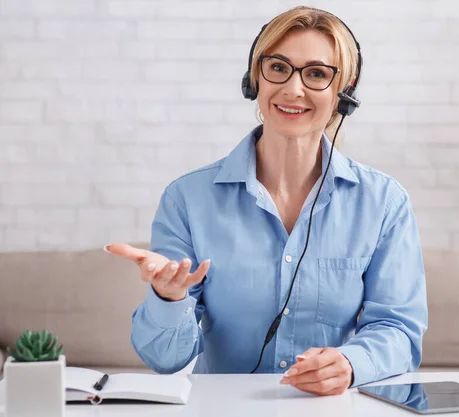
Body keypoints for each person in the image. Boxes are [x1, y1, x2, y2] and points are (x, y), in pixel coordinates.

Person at [104, 6, 428, 397]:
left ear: (345, 91)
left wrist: (350, 363)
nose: (293, 89)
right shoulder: (187, 199)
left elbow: (399, 330)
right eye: (278, 67)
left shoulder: (383, 202)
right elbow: (164, 359)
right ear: (254, 77)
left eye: (316, 74)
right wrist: (168, 297)